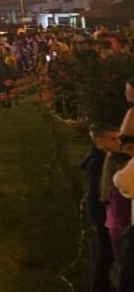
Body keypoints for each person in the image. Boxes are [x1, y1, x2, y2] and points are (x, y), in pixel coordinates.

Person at [82, 122, 121, 291]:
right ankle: (101, 285)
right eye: (112, 139)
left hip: (102, 211)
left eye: (118, 138)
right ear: (99, 141)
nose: (117, 143)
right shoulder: (98, 163)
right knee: (107, 252)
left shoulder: (103, 158)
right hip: (103, 213)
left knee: (107, 251)